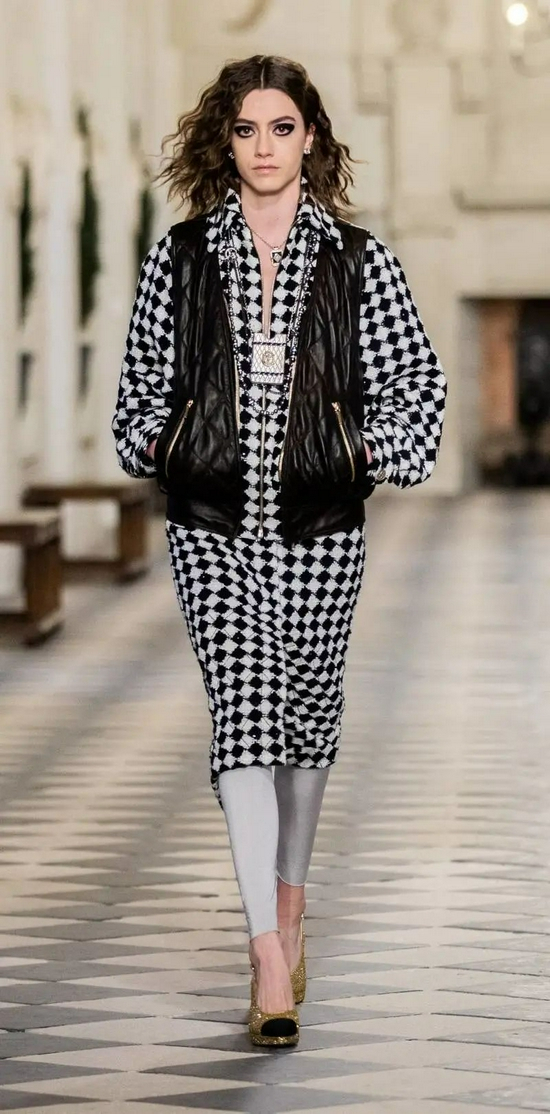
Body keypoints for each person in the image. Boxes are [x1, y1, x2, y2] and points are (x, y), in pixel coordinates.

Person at [112, 54, 447, 1047]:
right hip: (210, 529)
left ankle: (291, 907)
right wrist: (173, 448)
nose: (264, 147)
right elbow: (135, 401)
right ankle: (266, 954)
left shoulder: (359, 261)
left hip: (318, 532)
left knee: (305, 725)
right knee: (246, 720)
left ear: (311, 140)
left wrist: (356, 452)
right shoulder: (179, 259)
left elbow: (419, 394)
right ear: (225, 143)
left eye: (282, 128)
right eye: (246, 129)